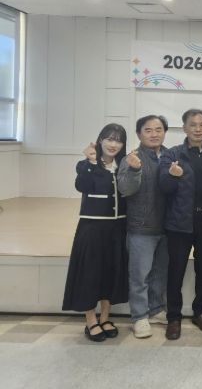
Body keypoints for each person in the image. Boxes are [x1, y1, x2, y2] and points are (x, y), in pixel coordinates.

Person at [62, 123, 129, 342]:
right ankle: (91, 320)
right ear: (100, 140)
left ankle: (105, 317)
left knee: (111, 273)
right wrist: (91, 162)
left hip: (117, 228)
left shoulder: (123, 165)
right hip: (92, 228)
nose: (113, 144)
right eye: (109, 139)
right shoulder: (86, 164)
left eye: (118, 140)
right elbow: (81, 186)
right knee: (90, 274)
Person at [159, 109, 202, 340]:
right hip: (179, 224)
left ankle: (199, 312)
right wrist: (172, 175)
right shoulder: (172, 154)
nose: (198, 129)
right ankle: (173, 317)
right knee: (176, 272)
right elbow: (163, 187)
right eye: (193, 125)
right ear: (184, 128)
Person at [117, 115, 169, 338]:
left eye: (158, 129)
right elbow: (125, 189)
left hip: (167, 227)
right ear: (139, 134)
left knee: (160, 273)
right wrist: (134, 170)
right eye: (148, 130)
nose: (154, 134)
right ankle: (139, 316)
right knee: (140, 275)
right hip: (141, 227)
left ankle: (156, 310)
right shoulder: (131, 158)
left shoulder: (170, 157)